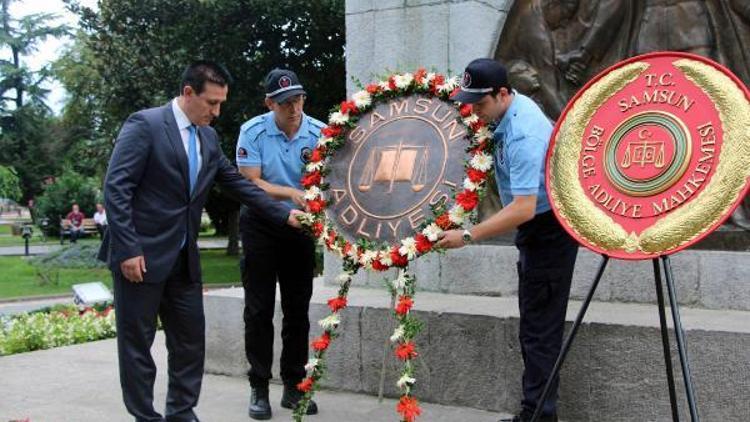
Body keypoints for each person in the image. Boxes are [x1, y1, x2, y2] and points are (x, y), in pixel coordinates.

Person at [98, 60, 303, 422]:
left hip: (184, 260)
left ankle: (181, 412)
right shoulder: (145, 125)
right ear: (188, 93)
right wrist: (128, 248)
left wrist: (284, 213)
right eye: (212, 103)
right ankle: (145, 416)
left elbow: (238, 183)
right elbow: (117, 189)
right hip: (140, 259)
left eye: (221, 103)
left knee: (191, 343)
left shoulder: (207, 137)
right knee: (137, 347)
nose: (217, 112)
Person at [437, 58, 578, 422]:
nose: (475, 112)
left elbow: (523, 209)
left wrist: (467, 235)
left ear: (503, 93)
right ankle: (534, 412)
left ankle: (540, 416)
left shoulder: (524, 134)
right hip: (538, 233)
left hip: (548, 231)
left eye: (480, 104)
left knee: (540, 331)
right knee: (533, 326)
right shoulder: (504, 114)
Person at [235, 68, 324, 420]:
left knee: (297, 309)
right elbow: (251, 183)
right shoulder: (253, 131)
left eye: (298, 99)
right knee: (258, 309)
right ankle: (259, 386)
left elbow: (326, 180)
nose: (294, 108)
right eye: (285, 102)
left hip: (299, 228)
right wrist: (290, 192)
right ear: (269, 102)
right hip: (261, 225)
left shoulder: (318, 132)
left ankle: (293, 385)